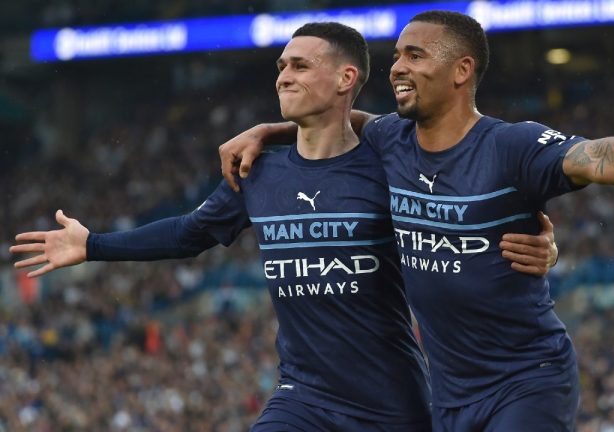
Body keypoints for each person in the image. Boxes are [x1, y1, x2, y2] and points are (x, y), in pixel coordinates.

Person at [10, 22, 559, 432]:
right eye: (280, 66)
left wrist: (544, 244)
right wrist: (94, 244)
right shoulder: (257, 171)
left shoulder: (390, 162)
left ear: (346, 78)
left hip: (393, 402)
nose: (283, 75)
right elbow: (189, 234)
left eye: (298, 65)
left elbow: (463, 215)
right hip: (302, 397)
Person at [217, 11, 614, 431]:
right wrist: (267, 130)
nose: (397, 67)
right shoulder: (390, 139)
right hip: (449, 397)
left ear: (461, 70)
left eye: (414, 55)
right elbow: (337, 120)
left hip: (526, 381)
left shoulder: (509, 146)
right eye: (397, 54)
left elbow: (595, 155)